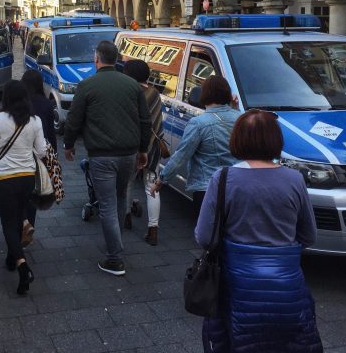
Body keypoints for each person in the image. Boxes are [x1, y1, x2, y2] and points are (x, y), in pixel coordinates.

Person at [197, 109, 322, 353]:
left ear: (237, 140)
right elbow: (309, 236)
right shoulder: (294, 179)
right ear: (276, 141)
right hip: (288, 288)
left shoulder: (223, 179)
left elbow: (204, 236)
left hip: (237, 287)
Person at [63, 40, 152, 276]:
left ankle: (115, 258)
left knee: (107, 205)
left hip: (102, 155)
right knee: (121, 198)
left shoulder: (87, 85)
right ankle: (117, 244)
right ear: (118, 59)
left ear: (97, 59)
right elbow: (145, 120)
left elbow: (74, 119)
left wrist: (69, 144)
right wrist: (143, 150)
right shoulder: (132, 86)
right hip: (129, 154)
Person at [0, 80, 48, 295]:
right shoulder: (34, 121)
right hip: (27, 179)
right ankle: (11, 257)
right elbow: (42, 151)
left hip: (4, 179)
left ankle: (22, 265)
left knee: (8, 223)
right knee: (18, 219)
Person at [152, 76, 240, 218]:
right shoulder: (241, 118)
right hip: (236, 185)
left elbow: (181, 155)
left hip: (208, 187)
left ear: (204, 94)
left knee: (208, 234)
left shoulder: (198, 123)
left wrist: (161, 180)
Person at [122, 59, 163, 245]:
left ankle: (127, 216)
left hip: (131, 145)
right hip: (153, 147)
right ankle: (153, 230)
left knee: (128, 183)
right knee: (151, 187)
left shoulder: (128, 94)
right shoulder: (154, 94)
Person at [20, 69, 57, 246]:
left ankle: (22, 223)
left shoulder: (20, 103)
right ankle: (29, 226)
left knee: (18, 193)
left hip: (20, 152)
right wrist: (53, 156)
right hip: (38, 154)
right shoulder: (46, 104)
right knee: (33, 192)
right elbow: (50, 134)